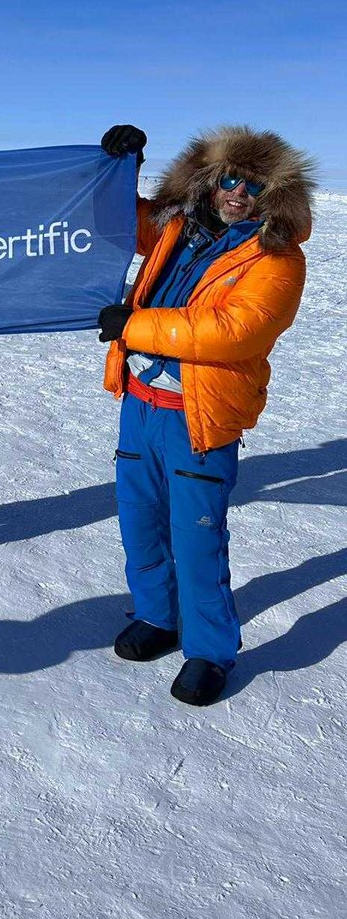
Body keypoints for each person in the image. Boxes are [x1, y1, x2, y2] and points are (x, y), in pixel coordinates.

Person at [98, 123, 315, 705]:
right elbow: (112, 219)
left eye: (253, 184)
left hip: (199, 418)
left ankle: (210, 651)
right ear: (210, 181)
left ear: (273, 195)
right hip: (140, 405)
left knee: (196, 540)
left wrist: (133, 326)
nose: (238, 192)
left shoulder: (277, 259)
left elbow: (234, 332)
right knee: (139, 523)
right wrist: (120, 166)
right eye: (229, 179)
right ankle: (157, 618)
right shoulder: (179, 228)